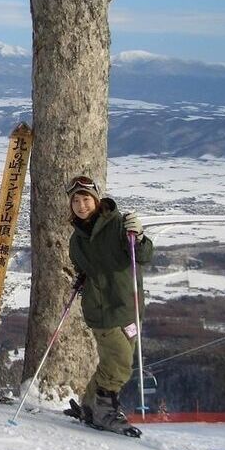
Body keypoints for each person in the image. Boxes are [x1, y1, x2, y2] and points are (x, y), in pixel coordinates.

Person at [66, 175, 153, 435]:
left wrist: (139, 237)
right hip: (101, 311)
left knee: (113, 362)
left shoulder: (119, 225)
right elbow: (81, 267)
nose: (81, 205)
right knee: (120, 363)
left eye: (86, 199)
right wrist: (81, 278)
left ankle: (91, 407)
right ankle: (105, 411)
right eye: (76, 201)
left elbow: (145, 256)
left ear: (96, 199)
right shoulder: (76, 240)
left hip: (129, 307)